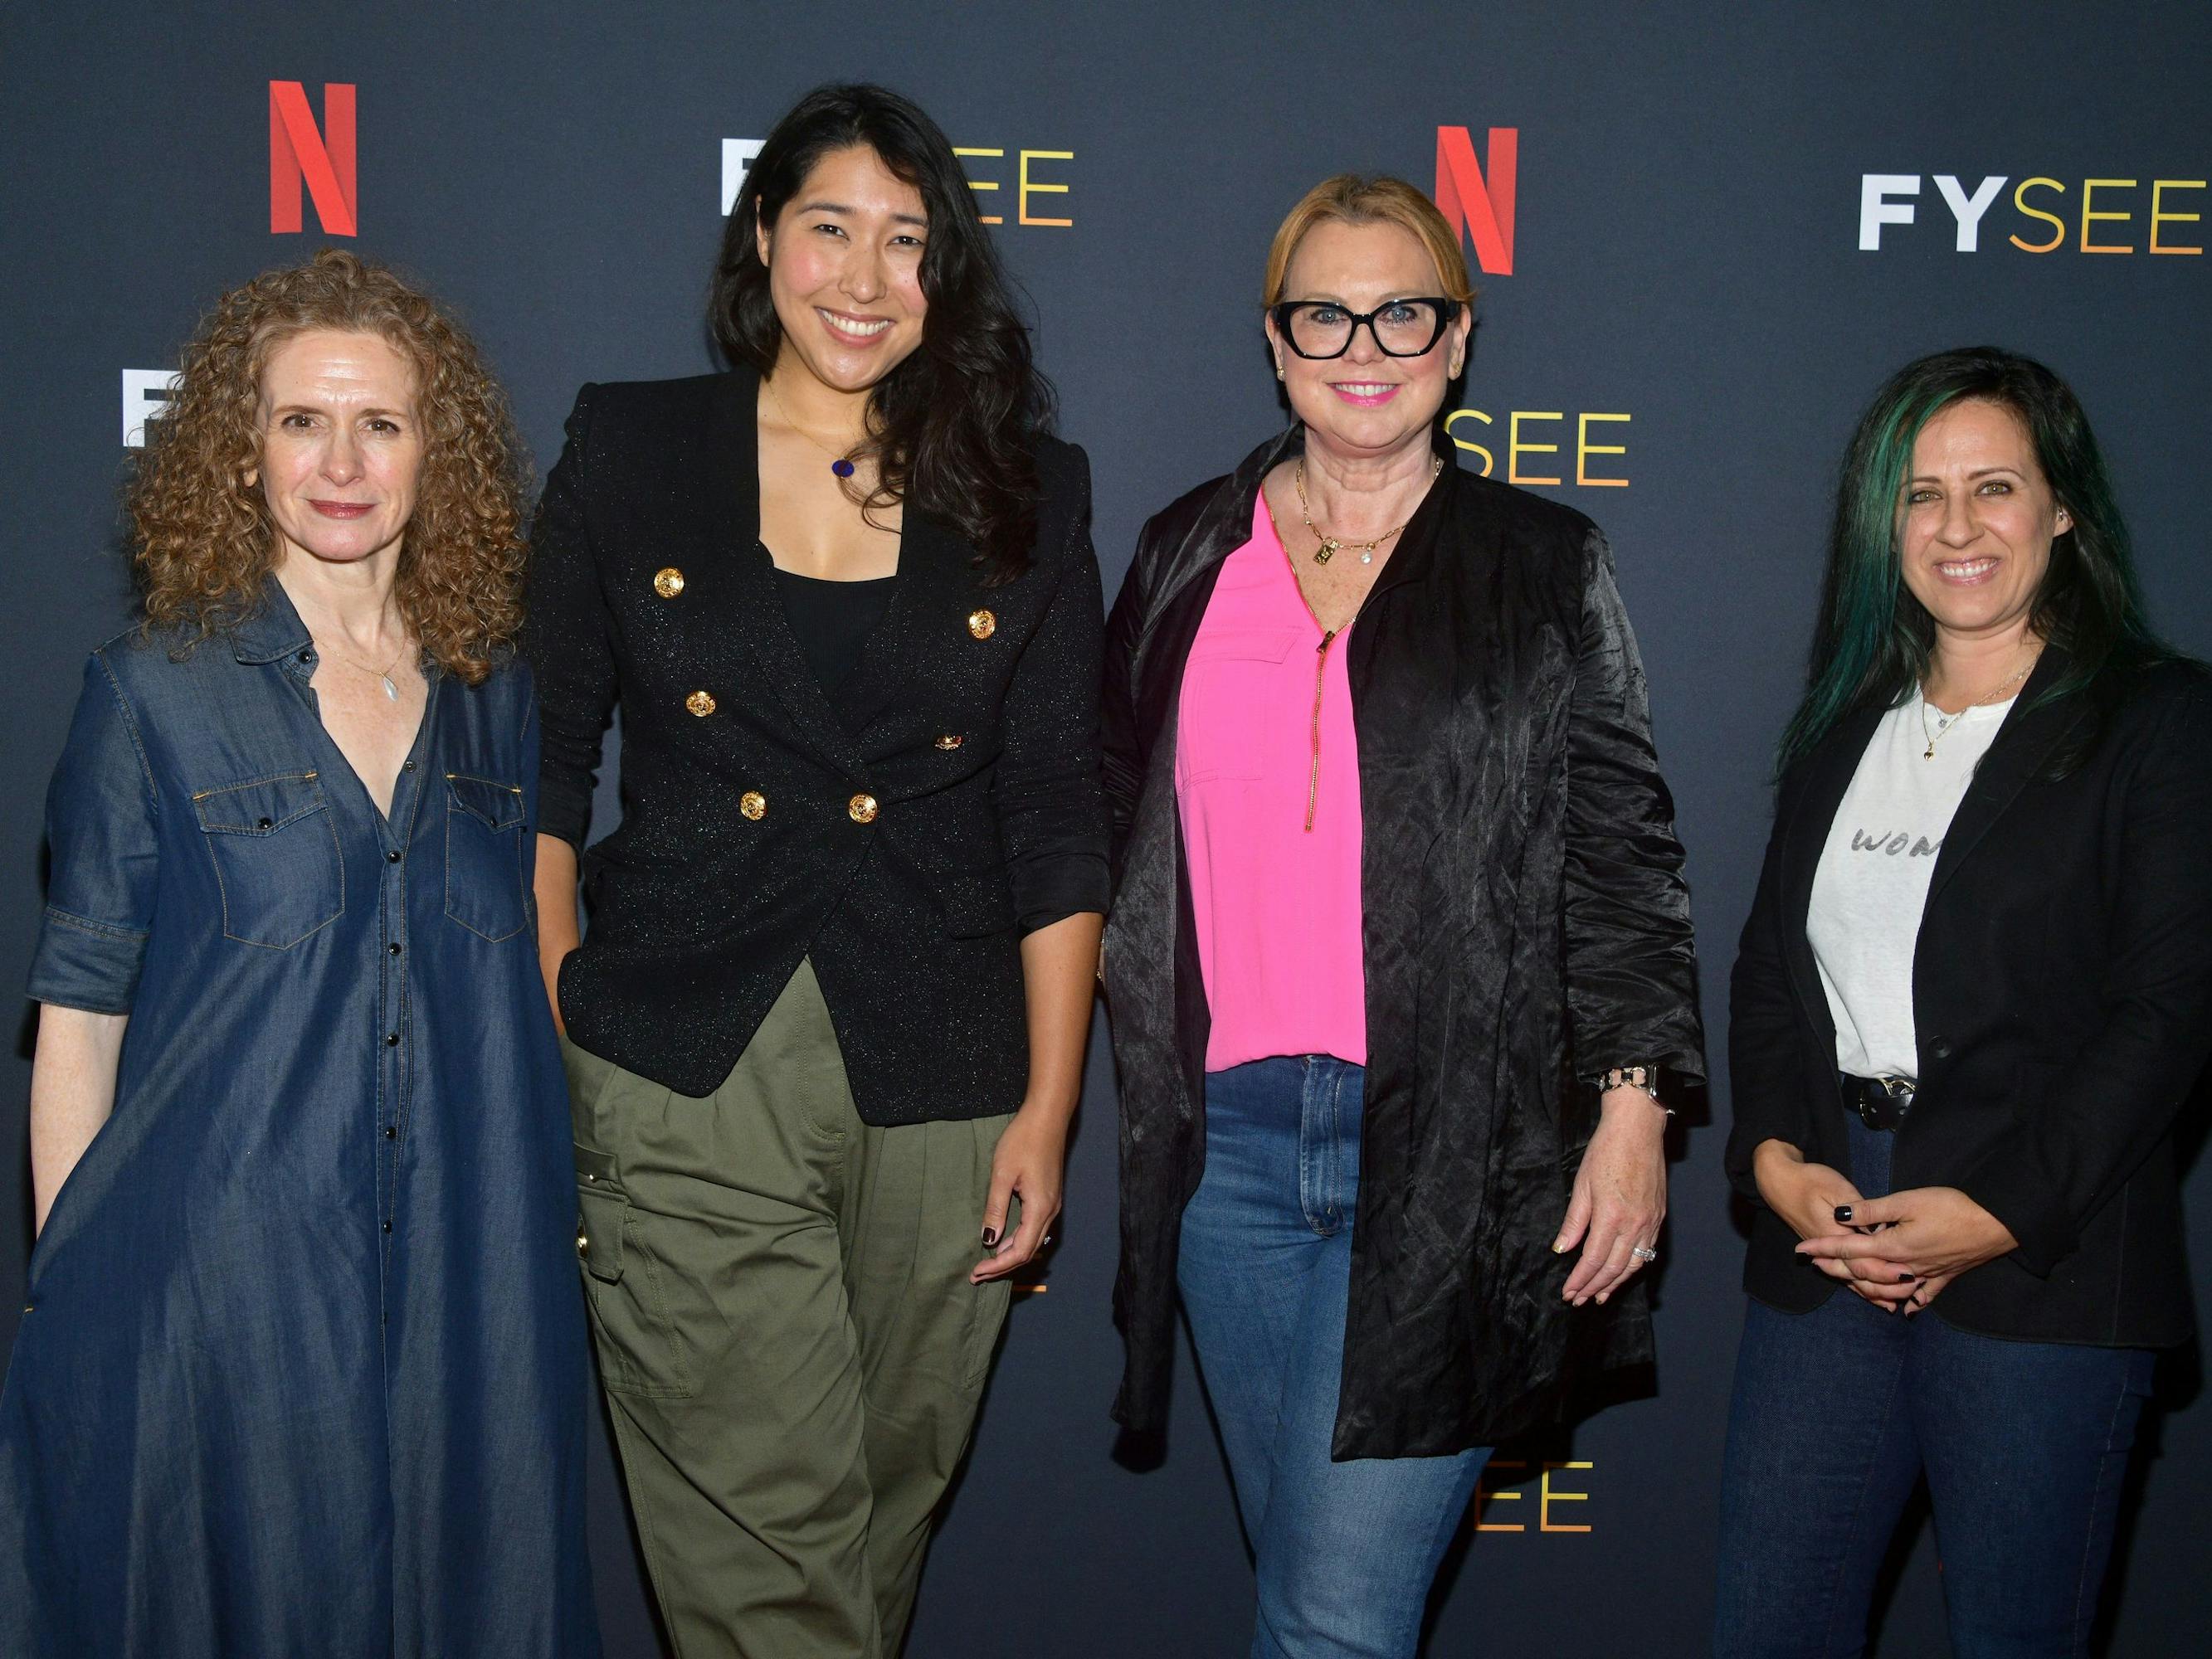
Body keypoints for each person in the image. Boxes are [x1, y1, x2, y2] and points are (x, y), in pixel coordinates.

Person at [524, 83, 1106, 1658]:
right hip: (684, 1043)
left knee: (871, 1517)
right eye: (831, 227)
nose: (863, 278)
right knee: (764, 1553)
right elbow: (544, 760)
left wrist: (1050, 1108)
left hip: (951, 1059)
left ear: (949, 272)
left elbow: (1058, 811)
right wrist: (565, 1009)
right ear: (764, 235)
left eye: (907, 242)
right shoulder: (634, 445)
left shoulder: (1030, 489)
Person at [1099, 173, 1703, 1658]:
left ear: (1456, 338)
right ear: (1276, 339)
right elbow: (1106, 832)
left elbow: (1621, 855)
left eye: (1402, 310)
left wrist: (1631, 1110)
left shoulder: (1539, 562)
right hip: (1224, 1159)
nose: (1362, 343)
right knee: (1305, 1584)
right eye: (1325, 312)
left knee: (1331, 1618)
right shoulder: (1187, 550)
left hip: (1449, 1150)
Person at [0, 251, 598, 1657]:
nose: (342, 462)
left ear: (429, 456)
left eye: (380, 424)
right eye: (301, 421)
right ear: (239, 450)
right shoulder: (152, 688)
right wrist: (68, 1292)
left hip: (470, 1280)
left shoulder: (494, 695)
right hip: (217, 1290)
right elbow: (77, 1018)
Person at [1714, 347, 2212, 1657]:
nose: (1954, 527)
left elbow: (2169, 1007)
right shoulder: (1844, 724)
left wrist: (1994, 1212)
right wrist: (1772, 1156)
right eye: (1918, 493)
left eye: (1992, 486)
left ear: (2061, 508)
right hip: (1826, 1245)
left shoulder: (2155, 719)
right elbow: (1773, 972)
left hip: (2038, 1250)